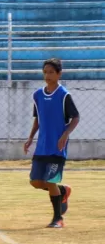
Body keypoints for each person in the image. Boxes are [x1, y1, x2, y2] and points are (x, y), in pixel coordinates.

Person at [23, 58, 79, 228]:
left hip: (57, 148)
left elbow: (75, 118)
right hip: (42, 146)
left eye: (51, 72)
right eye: (45, 72)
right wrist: (31, 137)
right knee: (36, 182)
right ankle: (63, 191)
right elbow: (37, 119)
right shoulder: (38, 95)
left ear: (59, 74)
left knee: (50, 181)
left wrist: (65, 135)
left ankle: (58, 219)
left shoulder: (64, 95)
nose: (47, 75)